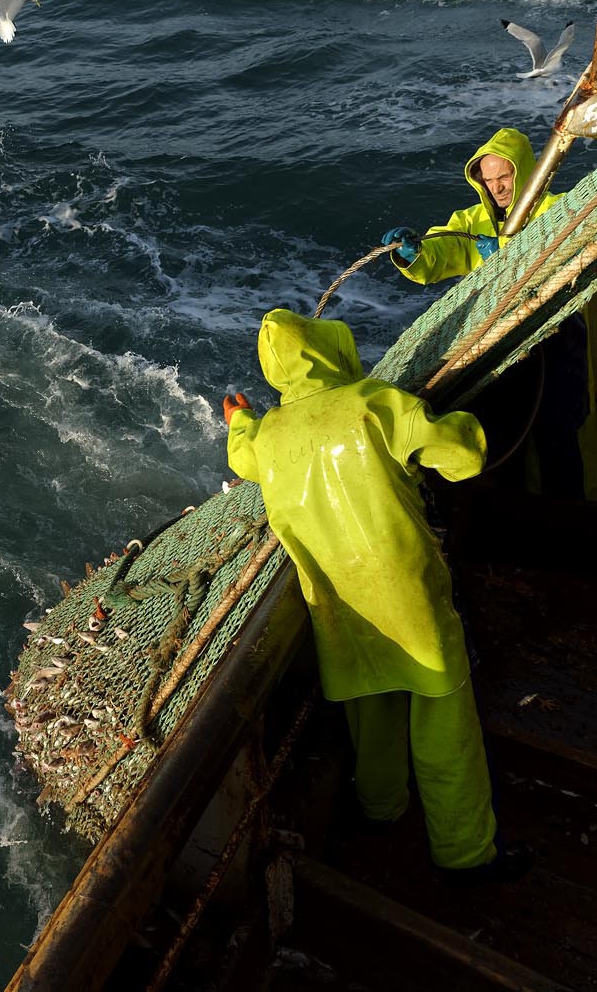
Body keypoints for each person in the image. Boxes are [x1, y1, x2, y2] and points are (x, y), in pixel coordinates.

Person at [224, 308, 527, 882]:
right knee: (444, 723)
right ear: (332, 349)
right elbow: (463, 458)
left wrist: (240, 418)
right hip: (409, 598)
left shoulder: (268, 437)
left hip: (341, 609)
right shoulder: (377, 403)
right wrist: (465, 421)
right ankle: (465, 853)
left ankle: (381, 810)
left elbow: (241, 458)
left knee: (373, 710)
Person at [382, 127, 597, 501]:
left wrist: (506, 254)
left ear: (525, 172)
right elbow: (444, 251)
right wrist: (414, 254)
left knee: (558, 430)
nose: (497, 187)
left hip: (555, 337)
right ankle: (510, 523)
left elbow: (571, 252)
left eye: (505, 177)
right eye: (490, 179)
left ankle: (568, 520)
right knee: (503, 434)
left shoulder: (558, 208)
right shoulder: (470, 222)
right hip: (498, 340)